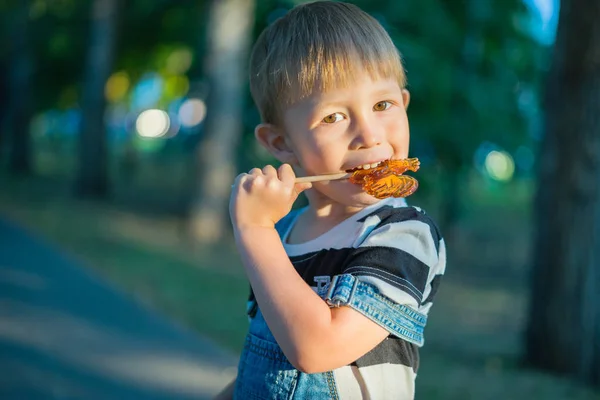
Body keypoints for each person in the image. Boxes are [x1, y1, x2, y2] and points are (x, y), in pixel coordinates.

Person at [216, 1, 446, 399]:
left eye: (382, 105)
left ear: (403, 104)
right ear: (281, 143)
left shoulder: (405, 235)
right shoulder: (282, 234)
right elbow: (270, 356)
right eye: (333, 117)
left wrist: (254, 231)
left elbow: (316, 348)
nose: (370, 135)